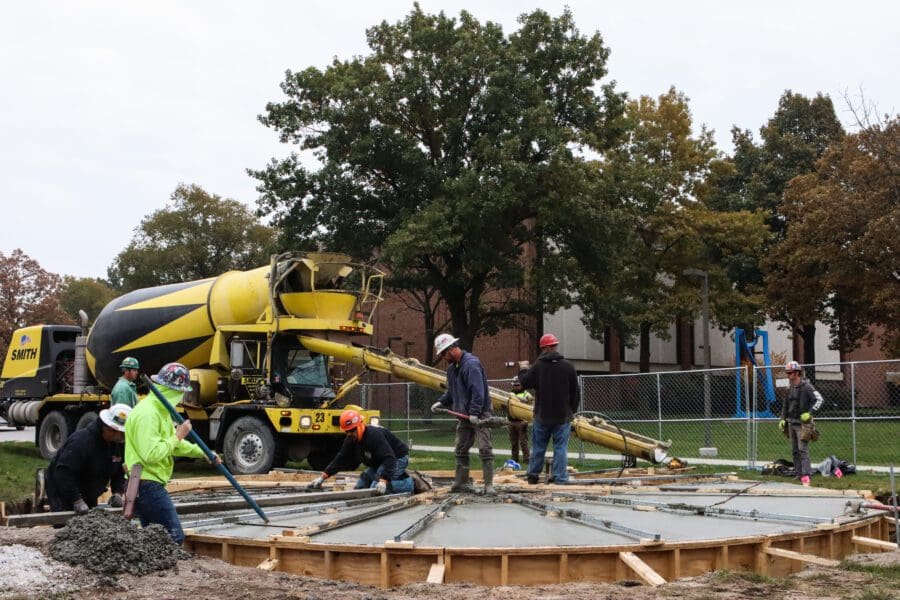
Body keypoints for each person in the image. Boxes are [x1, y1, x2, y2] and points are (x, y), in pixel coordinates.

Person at [125, 362, 215, 544]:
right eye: (181, 393)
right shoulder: (148, 414)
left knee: (154, 538)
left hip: (149, 482)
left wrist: (203, 453)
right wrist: (178, 435)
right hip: (146, 483)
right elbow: (151, 453)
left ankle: (149, 570)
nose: (182, 397)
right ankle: (163, 572)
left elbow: (174, 444)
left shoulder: (161, 412)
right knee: (173, 537)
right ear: (172, 392)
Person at [430, 333, 494, 494]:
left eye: (443, 354)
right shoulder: (453, 369)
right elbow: (452, 392)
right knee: (461, 448)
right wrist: (441, 401)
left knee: (485, 448)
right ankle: (461, 483)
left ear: (451, 349)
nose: (443, 358)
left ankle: (488, 486)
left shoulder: (471, 364)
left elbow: (477, 392)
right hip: (464, 416)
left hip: (480, 415)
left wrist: (475, 412)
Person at [45, 404, 132, 516]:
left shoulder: (117, 444)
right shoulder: (81, 442)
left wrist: (118, 492)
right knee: (66, 526)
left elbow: (119, 471)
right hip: (64, 490)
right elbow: (64, 473)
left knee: (87, 524)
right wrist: (76, 500)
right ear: (109, 428)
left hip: (89, 489)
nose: (124, 437)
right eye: (122, 433)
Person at [520, 333, 580, 485]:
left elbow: (524, 382)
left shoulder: (538, 366)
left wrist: (523, 369)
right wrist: (571, 411)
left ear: (544, 348)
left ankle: (533, 476)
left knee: (538, 447)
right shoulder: (568, 366)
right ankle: (560, 478)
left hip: (542, 416)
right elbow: (575, 392)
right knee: (560, 448)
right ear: (555, 346)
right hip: (562, 416)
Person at [308, 409, 413, 494]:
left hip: (397, 458)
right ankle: (394, 478)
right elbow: (340, 458)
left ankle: (409, 485)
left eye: (352, 430)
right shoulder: (351, 439)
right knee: (362, 483)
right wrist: (323, 476)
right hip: (381, 461)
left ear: (359, 425)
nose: (349, 433)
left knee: (376, 489)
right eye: (347, 431)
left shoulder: (374, 436)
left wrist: (383, 480)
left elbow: (389, 458)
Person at [779, 360, 824, 487]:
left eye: (790, 373)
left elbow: (819, 400)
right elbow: (785, 405)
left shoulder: (807, 387)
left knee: (802, 450)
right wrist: (783, 419)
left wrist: (810, 413)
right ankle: (798, 473)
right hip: (791, 424)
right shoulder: (789, 388)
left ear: (797, 373)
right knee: (794, 450)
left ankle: (806, 475)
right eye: (787, 373)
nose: (788, 375)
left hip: (803, 425)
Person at [508, 376, 532, 465]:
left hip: (522, 421)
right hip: (511, 421)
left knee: (523, 442)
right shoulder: (510, 394)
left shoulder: (526, 394)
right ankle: (514, 459)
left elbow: (531, 401)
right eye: (515, 384)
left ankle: (527, 459)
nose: (516, 386)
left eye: (517, 384)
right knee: (514, 442)